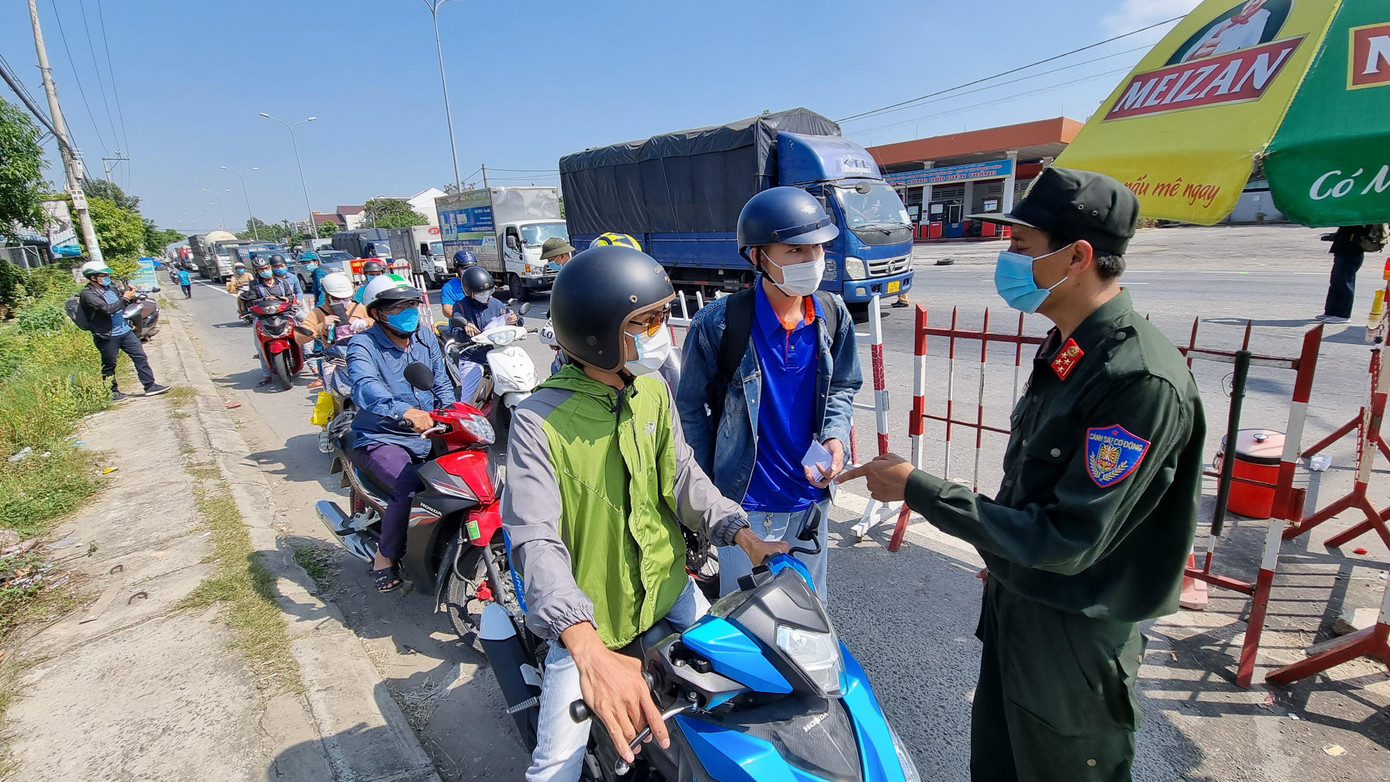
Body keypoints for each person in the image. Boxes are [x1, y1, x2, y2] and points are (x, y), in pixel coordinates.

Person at [839, 167, 1206, 782]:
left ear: (1079, 256)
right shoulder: (1069, 347)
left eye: (1021, 248)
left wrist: (917, 489)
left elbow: (1065, 539)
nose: (1006, 261)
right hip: (1021, 605)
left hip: (1072, 633)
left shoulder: (1136, 379)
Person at [503, 245, 786, 782]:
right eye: (646, 321)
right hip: (592, 616)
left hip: (669, 586)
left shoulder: (653, 390)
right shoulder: (538, 422)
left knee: (744, 691)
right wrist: (583, 646)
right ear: (597, 332)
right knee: (555, 765)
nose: (661, 331)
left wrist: (742, 533)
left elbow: (682, 478)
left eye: (661, 315)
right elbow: (534, 539)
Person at [676, 187, 861, 598]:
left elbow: (844, 385)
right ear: (758, 256)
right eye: (795, 250)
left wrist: (834, 434)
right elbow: (689, 406)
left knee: (810, 607)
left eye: (817, 249)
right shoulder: (718, 324)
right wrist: (709, 493)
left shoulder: (832, 315)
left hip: (811, 500)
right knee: (746, 615)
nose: (811, 260)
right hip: (745, 506)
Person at [346, 275, 456, 591]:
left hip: (429, 430)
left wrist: (452, 413)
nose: (408, 311)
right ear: (377, 312)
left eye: (411, 305)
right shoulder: (362, 344)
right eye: (398, 306)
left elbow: (441, 382)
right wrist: (403, 411)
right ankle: (385, 557)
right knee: (409, 484)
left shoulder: (424, 336)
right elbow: (364, 386)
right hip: (383, 435)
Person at [77, 261, 170, 401]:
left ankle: (150, 385)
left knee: (140, 356)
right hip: (107, 335)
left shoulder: (111, 288)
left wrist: (130, 295)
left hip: (124, 331)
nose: (107, 278)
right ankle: (112, 391)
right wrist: (125, 298)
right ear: (93, 277)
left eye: (108, 275)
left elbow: (123, 302)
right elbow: (108, 309)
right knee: (109, 364)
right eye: (103, 275)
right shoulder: (88, 295)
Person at [448, 266, 520, 403]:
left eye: (488, 291)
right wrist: (465, 326)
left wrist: (514, 319)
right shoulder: (461, 306)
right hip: (473, 357)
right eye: (481, 293)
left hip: (497, 353)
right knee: (468, 399)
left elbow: (510, 317)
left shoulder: (495, 303)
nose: (485, 295)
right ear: (469, 292)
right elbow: (456, 328)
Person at [295, 272, 373, 390]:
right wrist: (321, 326)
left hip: (361, 354)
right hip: (334, 359)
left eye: (346, 298)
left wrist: (366, 322)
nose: (343, 301)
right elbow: (299, 337)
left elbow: (379, 322)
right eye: (337, 299)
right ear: (327, 296)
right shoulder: (318, 312)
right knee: (331, 387)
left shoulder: (359, 308)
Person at [242, 257, 303, 387]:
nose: (264, 271)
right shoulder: (254, 285)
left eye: (266, 268)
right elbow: (251, 301)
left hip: (284, 314)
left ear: (270, 267)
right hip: (263, 317)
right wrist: (264, 299)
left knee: (302, 332)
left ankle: (311, 363)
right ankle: (266, 374)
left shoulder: (282, 282)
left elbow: (291, 296)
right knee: (259, 344)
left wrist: (286, 298)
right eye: (260, 270)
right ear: (257, 271)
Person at [1319, 224, 1387, 323]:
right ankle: (1331, 311)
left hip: (1351, 253)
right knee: (1335, 282)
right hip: (1343, 251)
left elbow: (1357, 234)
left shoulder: (1359, 220)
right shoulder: (1351, 220)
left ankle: (1343, 315)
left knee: (1344, 283)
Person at [439, 249, 479, 319]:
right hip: (462, 325)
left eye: (472, 267)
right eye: (465, 268)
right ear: (457, 268)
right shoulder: (448, 288)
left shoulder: (479, 281)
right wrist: (465, 321)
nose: (469, 271)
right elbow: (447, 310)